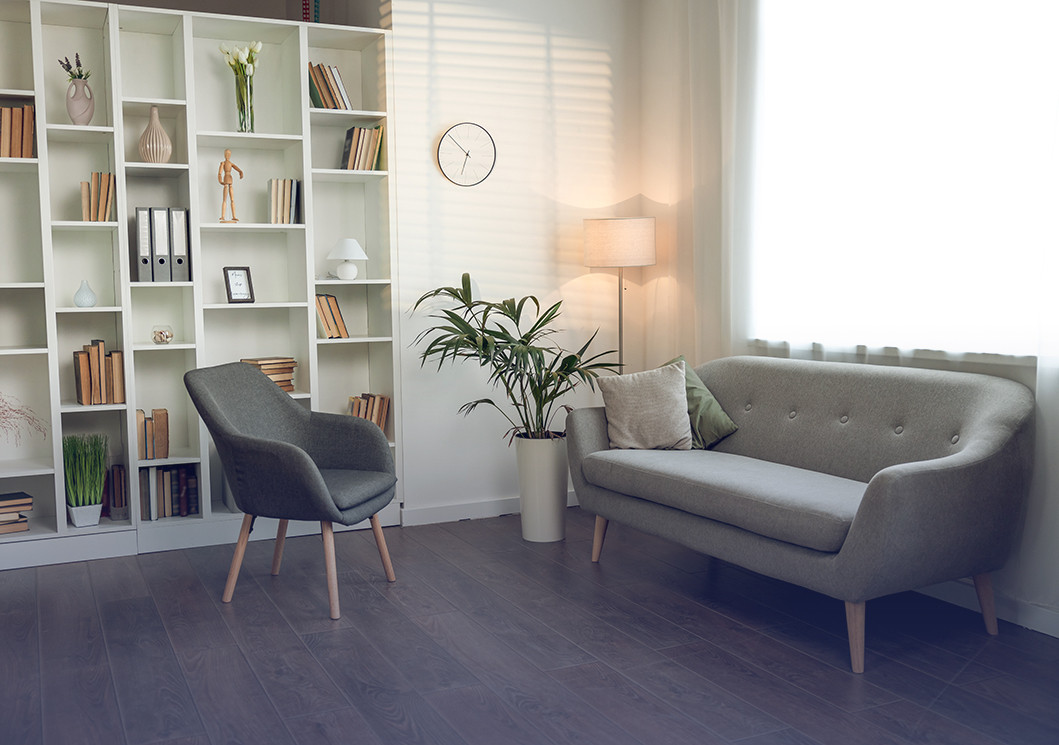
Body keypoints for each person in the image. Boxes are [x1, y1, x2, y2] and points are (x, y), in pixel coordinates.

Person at [218, 149, 243, 222]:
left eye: (229, 154)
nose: (227, 156)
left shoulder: (231, 163)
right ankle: (223, 216)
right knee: (225, 199)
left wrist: (240, 172)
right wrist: (220, 180)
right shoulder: (223, 163)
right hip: (226, 179)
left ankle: (234, 216)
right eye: (226, 154)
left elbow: (237, 168)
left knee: (232, 199)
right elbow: (219, 173)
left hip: (230, 179)